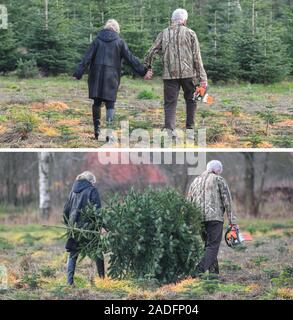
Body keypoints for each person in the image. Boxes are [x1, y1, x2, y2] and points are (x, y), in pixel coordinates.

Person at [73, 19, 152, 142]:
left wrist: (78, 72)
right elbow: (130, 58)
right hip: (112, 77)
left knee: (97, 102)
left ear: (105, 28)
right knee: (110, 104)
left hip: (96, 76)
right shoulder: (119, 42)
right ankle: (109, 133)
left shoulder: (97, 40)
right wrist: (143, 71)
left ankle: (97, 131)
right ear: (117, 29)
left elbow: (86, 58)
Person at [144, 8, 208, 139]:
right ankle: (190, 132)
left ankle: (169, 132)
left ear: (172, 20)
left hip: (169, 75)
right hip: (189, 74)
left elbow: (151, 51)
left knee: (170, 103)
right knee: (192, 101)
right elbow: (197, 57)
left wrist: (148, 68)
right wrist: (203, 77)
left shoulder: (164, 33)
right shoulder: (191, 33)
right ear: (185, 20)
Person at [187, 160, 237, 276]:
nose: (220, 173)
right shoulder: (219, 179)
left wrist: (189, 220)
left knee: (208, 246)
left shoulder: (195, 181)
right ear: (217, 170)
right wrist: (232, 221)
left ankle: (214, 274)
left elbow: (189, 202)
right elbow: (227, 201)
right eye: (220, 171)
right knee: (212, 247)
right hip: (214, 219)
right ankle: (197, 271)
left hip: (198, 219)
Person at [63, 171, 107, 286]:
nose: (94, 184)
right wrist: (102, 226)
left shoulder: (72, 192)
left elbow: (65, 211)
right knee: (97, 254)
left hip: (74, 229)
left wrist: (69, 225)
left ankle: (69, 283)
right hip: (89, 228)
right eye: (93, 182)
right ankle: (102, 280)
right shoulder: (92, 190)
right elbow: (97, 211)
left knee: (73, 254)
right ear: (90, 181)